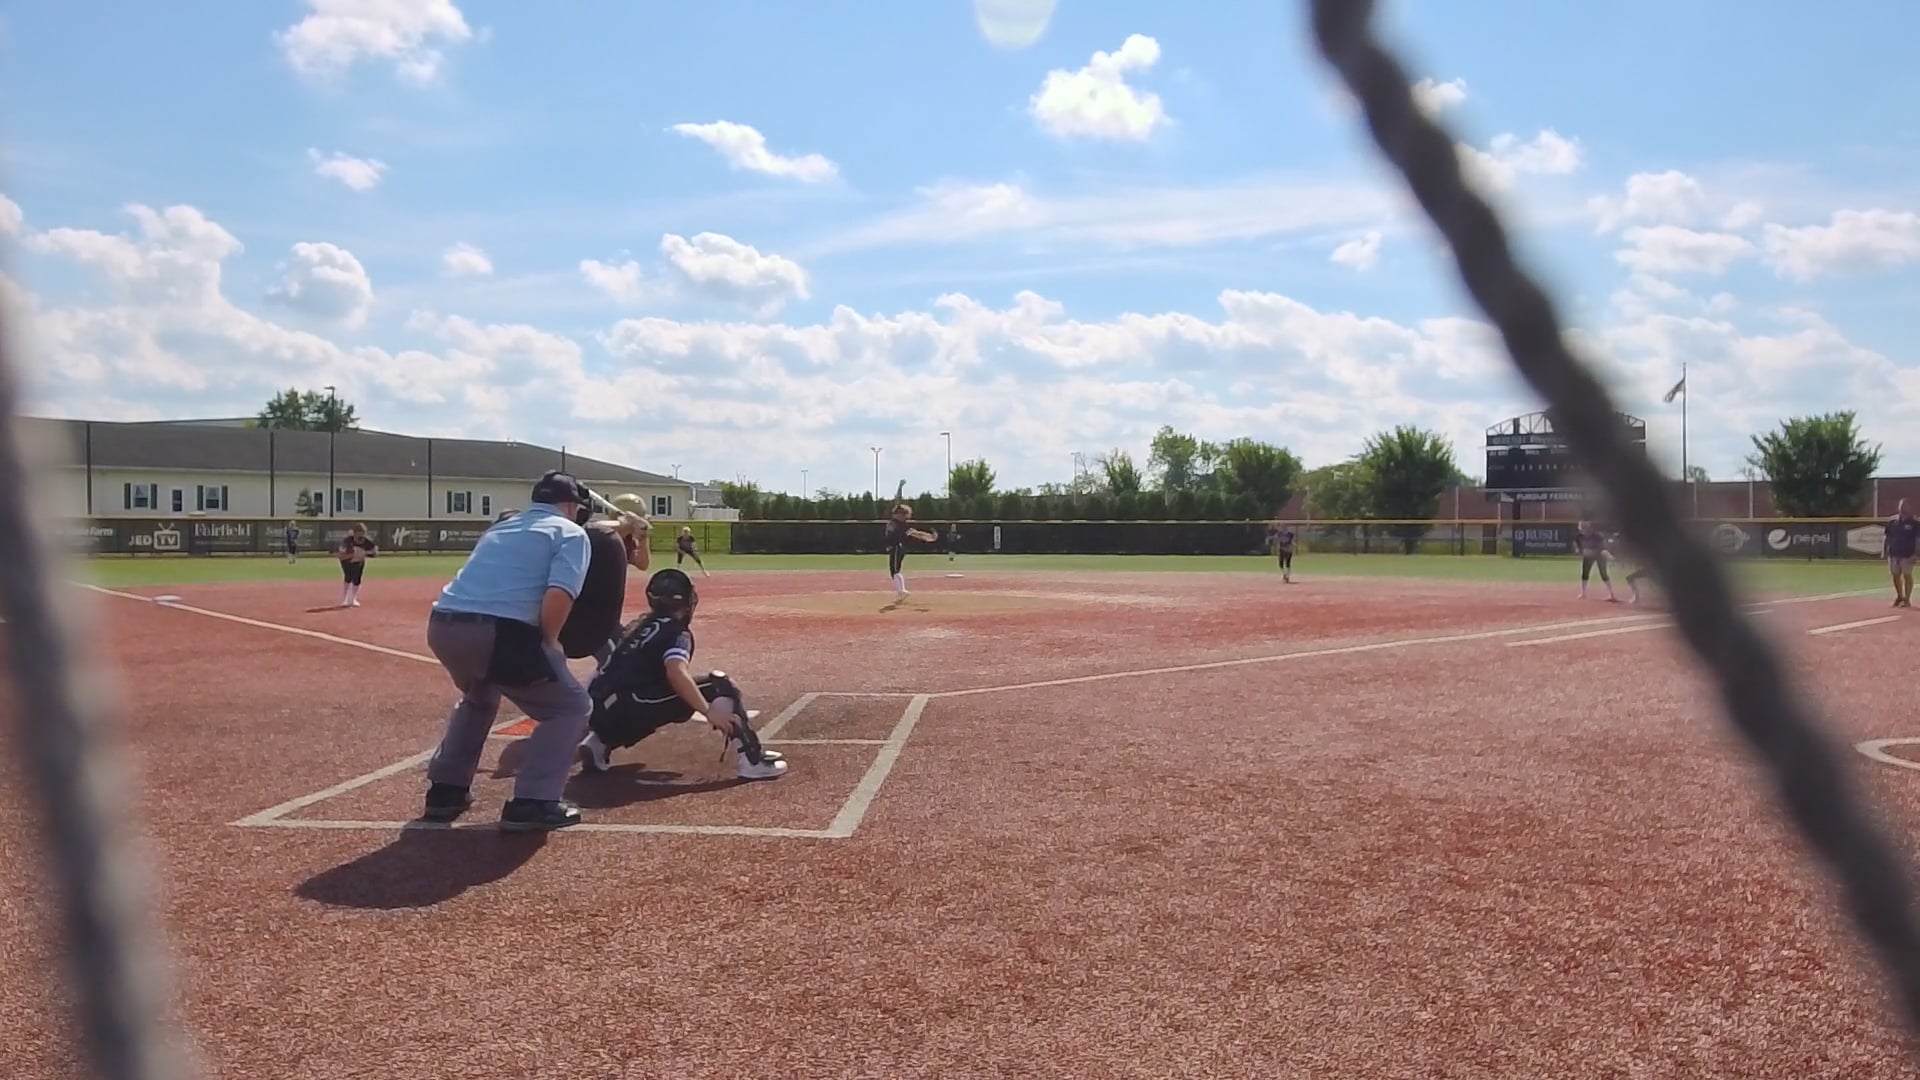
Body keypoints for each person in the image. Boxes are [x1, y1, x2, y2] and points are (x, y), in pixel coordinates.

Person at [419, 470, 597, 832]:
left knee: (480, 695)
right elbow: (559, 593)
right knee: (569, 707)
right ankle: (533, 801)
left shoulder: (502, 527)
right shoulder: (570, 533)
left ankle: (445, 790)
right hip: (498, 633)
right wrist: (549, 642)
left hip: (442, 625)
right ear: (570, 505)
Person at [577, 568, 787, 780]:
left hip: (600, 711)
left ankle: (598, 742)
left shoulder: (638, 626)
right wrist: (707, 711)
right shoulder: (677, 632)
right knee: (719, 685)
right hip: (631, 706)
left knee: (659, 696)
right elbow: (676, 671)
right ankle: (752, 761)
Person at [558, 508, 651, 667]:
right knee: (609, 658)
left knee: (620, 653)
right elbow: (594, 527)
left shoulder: (626, 541)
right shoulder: (597, 534)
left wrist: (643, 537)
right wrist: (624, 524)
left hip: (604, 610)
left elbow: (642, 564)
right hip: (582, 607)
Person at [884, 504, 937, 601]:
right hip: (897, 547)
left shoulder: (899, 524)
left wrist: (928, 537)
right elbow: (912, 533)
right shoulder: (896, 523)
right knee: (895, 570)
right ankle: (901, 591)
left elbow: (914, 533)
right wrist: (928, 537)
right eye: (903, 514)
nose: (905, 517)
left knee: (895, 570)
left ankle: (902, 591)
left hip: (897, 547)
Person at [1884, 498, 1919, 609]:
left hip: (1907, 554)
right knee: (1895, 575)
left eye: (1905, 505)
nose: (1903, 508)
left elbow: (1918, 539)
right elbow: (1887, 537)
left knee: (1907, 575)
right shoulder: (1892, 521)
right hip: (1894, 552)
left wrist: (1916, 554)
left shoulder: (1914, 523)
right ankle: (1899, 596)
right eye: (1901, 505)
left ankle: (1907, 599)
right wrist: (1884, 551)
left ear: (1909, 507)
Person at [334, 523, 377, 607]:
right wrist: (352, 555)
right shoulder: (347, 541)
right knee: (348, 577)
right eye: (359, 532)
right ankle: (345, 598)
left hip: (359, 561)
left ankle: (353, 599)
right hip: (347, 561)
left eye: (363, 533)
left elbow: (374, 551)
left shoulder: (366, 541)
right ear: (354, 533)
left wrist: (364, 553)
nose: (361, 535)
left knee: (357, 579)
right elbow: (341, 556)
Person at [1573, 519, 1616, 602]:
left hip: (1599, 556)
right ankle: (1583, 593)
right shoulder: (1578, 537)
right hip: (1588, 556)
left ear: (1588, 528)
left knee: (1604, 574)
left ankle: (1611, 594)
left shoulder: (1596, 536)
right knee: (1585, 573)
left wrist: (1593, 551)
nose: (1582, 530)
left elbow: (1602, 548)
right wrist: (1581, 551)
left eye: (1583, 528)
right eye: (1581, 528)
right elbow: (1578, 547)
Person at [1267, 519, 1298, 583]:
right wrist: (1269, 538)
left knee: (1287, 563)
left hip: (1288, 550)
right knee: (1281, 564)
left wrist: (1293, 545)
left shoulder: (1290, 534)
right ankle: (1285, 574)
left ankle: (1287, 576)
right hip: (1282, 549)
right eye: (1282, 527)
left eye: (1284, 527)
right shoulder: (1279, 533)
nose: (1283, 528)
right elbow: (1275, 538)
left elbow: (1293, 541)